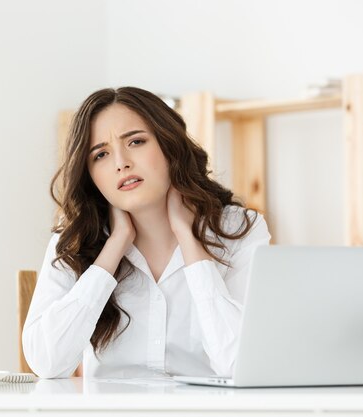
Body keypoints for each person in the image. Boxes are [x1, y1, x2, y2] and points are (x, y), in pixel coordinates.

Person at [22, 87, 271, 379]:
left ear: (169, 146)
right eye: (101, 154)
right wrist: (113, 248)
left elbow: (241, 364)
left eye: (136, 141)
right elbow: (46, 363)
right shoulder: (74, 242)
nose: (121, 163)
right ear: (90, 175)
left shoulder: (237, 230)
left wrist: (190, 243)